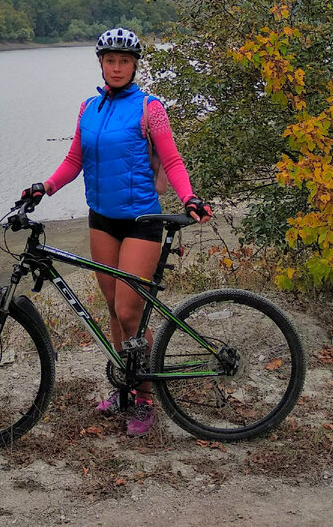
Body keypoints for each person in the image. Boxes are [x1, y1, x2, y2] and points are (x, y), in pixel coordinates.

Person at [19, 27, 210, 437]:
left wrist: (189, 198)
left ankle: (145, 395)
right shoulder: (89, 107)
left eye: (125, 61)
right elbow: (75, 159)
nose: (117, 66)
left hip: (141, 221)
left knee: (130, 311)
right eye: (111, 60)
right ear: (101, 64)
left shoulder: (150, 108)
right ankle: (124, 386)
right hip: (101, 219)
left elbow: (173, 161)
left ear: (135, 65)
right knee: (112, 308)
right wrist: (45, 187)